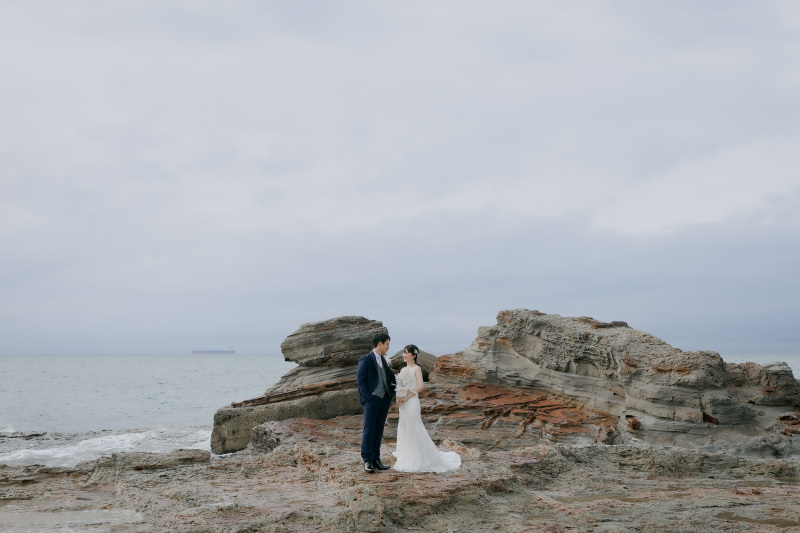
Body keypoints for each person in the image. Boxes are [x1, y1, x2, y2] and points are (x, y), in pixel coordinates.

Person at [393, 344, 461, 473]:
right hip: (403, 403)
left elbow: (420, 387)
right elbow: (400, 386)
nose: (404, 355)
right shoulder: (402, 369)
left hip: (412, 401)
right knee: (404, 426)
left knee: (414, 427)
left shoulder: (416, 368)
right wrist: (399, 398)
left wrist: (406, 397)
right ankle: (406, 454)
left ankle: (418, 457)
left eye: (407, 353)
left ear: (414, 355)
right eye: (404, 352)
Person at [356, 332, 397, 473]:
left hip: (384, 399)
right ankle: (367, 460)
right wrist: (368, 397)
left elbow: (389, 377)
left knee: (379, 430)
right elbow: (361, 380)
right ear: (380, 343)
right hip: (372, 400)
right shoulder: (366, 359)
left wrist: (391, 393)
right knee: (369, 429)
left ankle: (376, 459)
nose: (388, 347)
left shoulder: (383, 359)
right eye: (387, 344)